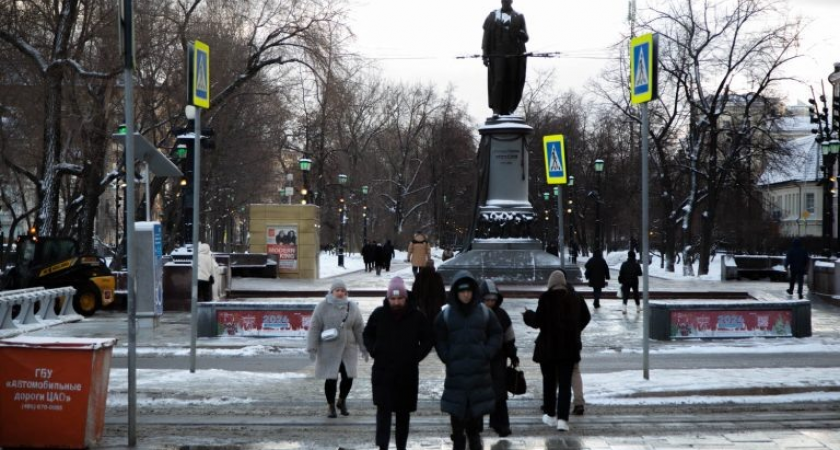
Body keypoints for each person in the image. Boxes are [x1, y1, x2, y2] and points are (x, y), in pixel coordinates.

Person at [363, 277, 434, 450]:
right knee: (383, 413)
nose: (396, 302)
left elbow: (428, 339)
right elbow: (367, 334)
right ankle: (383, 446)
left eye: (399, 298)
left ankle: (401, 446)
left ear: (405, 298)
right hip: (383, 372)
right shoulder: (379, 314)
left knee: (403, 414)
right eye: (393, 299)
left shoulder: (416, 316)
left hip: (406, 374)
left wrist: (415, 356)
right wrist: (374, 349)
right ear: (388, 298)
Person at [434, 270, 502, 450]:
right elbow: (438, 336)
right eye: (462, 291)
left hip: (478, 378)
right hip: (456, 378)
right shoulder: (447, 314)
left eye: (469, 291)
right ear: (456, 292)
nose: (465, 294)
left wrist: (487, 352)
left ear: (473, 292)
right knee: (457, 430)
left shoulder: (484, 312)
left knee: (474, 431)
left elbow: (497, 333)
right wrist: (445, 355)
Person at [522, 270, 590, 432]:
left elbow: (537, 321)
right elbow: (586, 317)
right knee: (565, 385)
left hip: (548, 349)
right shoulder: (576, 298)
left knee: (550, 383)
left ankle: (551, 415)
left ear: (550, 283)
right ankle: (563, 421)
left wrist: (527, 315)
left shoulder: (546, 298)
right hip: (569, 348)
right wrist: (575, 330)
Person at [306, 279, 369, 418]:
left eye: (342, 291)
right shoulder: (322, 307)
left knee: (348, 377)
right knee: (331, 379)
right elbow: (315, 327)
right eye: (337, 290)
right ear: (332, 292)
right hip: (329, 349)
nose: (340, 293)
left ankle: (341, 400)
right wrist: (312, 348)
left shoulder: (352, 307)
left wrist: (364, 348)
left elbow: (359, 328)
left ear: (346, 292)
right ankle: (331, 406)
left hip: (348, 349)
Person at [478, 279, 518, 437]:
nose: (490, 303)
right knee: (478, 393)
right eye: (487, 300)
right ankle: (477, 424)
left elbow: (509, 337)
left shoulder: (502, 315)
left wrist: (513, 354)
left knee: (499, 393)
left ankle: (500, 423)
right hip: (480, 359)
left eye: (493, 300)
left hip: (498, 359)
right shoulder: (475, 315)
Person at [482, 0, 528, 116]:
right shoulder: (493, 16)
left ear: (511, 1)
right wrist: (484, 53)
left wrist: (521, 34)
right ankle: (496, 109)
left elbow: (526, 37)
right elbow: (486, 36)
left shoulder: (519, 17)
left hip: (514, 54)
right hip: (497, 53)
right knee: (498, 80)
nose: (506, 2)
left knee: (512, 81)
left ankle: (509, 109)